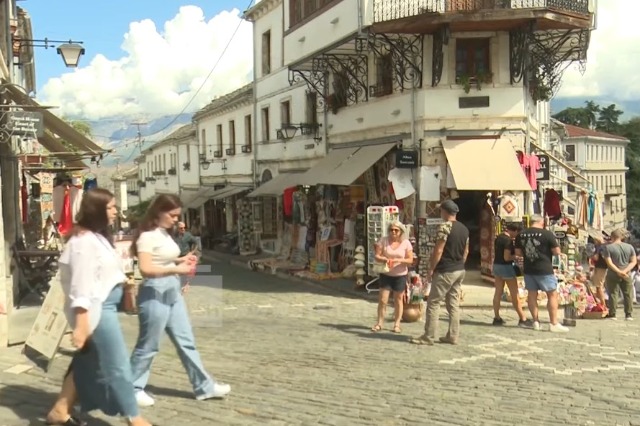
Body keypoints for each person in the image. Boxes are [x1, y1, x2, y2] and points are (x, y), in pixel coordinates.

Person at [47, 188, 151, 426]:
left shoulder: (96, 237)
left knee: (86, 362)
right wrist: (82, 325)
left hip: (105, 307)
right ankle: (134, 418)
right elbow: (81, 285)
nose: (115, 211)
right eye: (111, 207)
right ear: (97, 210)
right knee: (117, 364)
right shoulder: (83, 242)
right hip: (97, 312)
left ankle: (59, 411)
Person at [129, 194, 230, 407]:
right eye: (172, 215)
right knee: (149, 345)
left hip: (172, 289)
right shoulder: (147, 236)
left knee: (186, 341)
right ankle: (132, 388)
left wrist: (181, 259)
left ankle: (204, 386)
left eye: (177, 215)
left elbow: (162, 258)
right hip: (155, 292)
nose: (176, 219)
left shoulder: (164, 234)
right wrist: (177, 268)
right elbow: (146, 268)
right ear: (159, 212)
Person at [410, 199, 469, 346]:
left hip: (446, 270)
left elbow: (439, 250)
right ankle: (453, 335)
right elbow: (466, 251)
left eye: (440, 210)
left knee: (434, 302)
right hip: (459, 269)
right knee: (453, 303)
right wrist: (460, 263)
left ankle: (428, 336)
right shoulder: (464, 228)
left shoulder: (445, 227)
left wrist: (431, 268)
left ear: (444, 211)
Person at [514, 214, 568, 332]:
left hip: (529, 269)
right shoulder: (547, 234)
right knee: (552, 295)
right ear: (541, 222)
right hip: (544, 269)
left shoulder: (521, 235)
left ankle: (535, 322)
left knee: (532, 295)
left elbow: (518, 253)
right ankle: (553, 323)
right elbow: (557, 252)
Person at [370, 221, 414, 333]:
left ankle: (397, 324)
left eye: (396, 230)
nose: (393, 232)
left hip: (400, 275)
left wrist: (399, 260)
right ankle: (379, 322)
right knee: (383, 300)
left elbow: (410, 260)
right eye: (391, 230)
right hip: (386, 274)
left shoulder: (406, 243)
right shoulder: (384, 240)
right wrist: (385, 259)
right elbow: (377, 256)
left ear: (400, 232)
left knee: (398, 300)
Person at [491, 222, 527, 326]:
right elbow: (506, 257)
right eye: (517, 233)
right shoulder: (508, 241)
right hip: (506, 267)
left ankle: (496, 317)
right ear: (514, 231)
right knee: (514, 293)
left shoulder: (499, 238)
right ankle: (522, 318)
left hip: (497, 266)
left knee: (498, 292)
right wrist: (515, 257)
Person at [601, 228, 637, 320]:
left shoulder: (608, 247)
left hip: (613, 273)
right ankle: (628, 314)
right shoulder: (630, 247)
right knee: (628, 294)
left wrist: (618, 271)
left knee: (613, 293)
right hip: (627, 274)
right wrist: (625, 271)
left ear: (612, 237)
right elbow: (633, 261)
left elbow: (609, 263)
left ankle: (612, 314)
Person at [590, 235, 609, 306]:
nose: (594, 242)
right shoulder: (604, 247)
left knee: (599, 286)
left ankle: (603, 304)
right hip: (603, 267)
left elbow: (596, 258)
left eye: (595, 241)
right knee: (599, 286)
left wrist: (591, 254)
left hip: (600, 267)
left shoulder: (599, 247)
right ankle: (600, 303)